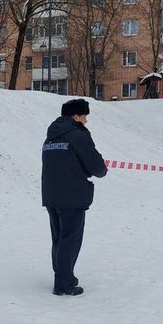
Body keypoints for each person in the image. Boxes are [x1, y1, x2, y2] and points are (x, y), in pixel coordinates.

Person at [41, 98, 108, 296]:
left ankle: (62, 276)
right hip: (72, 196)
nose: (86, 121)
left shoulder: (50, 137)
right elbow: (96, 166)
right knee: (70, 240)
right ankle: (64, 283)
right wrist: (103, 169)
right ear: (75, 116)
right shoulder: (78, 136)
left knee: (59, 239)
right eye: (84, 116)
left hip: (52, 195)